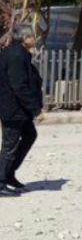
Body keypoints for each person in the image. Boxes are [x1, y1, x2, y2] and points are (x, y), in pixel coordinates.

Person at [0, 23, 44, 195]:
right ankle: (1, 181)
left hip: (18, 109)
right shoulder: (17, 55)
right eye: (32, 36)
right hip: (13, 108)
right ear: (25, 38)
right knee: (9, 145)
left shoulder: (19, 53)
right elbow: (19, 86)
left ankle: (8, 173)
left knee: (29, 135)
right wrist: (35, 110)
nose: (35, 38)